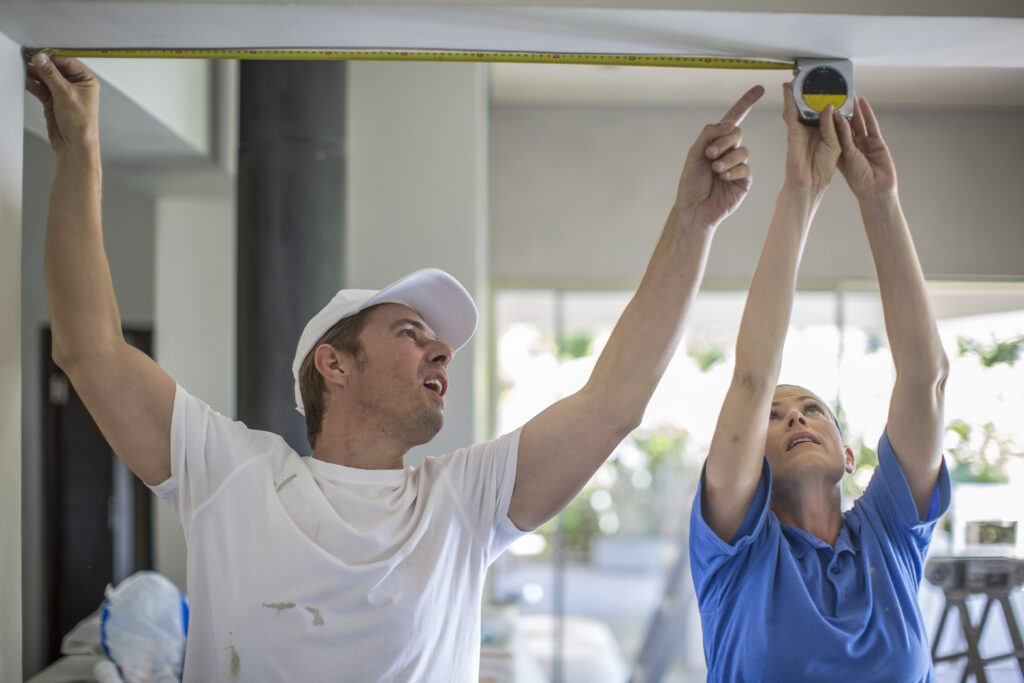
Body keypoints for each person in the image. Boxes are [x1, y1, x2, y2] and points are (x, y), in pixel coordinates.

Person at [26, 50, 764, 681]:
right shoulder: (232, 475)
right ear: (334, 365)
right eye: (412, 331)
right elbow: (89, 350)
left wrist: (693, 222)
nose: (442, 349)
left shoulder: (464, 502)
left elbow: (613, 402)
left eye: (439, 341)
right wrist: (80, 149)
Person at [689, 84, 951, 681]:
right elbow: (753, 379)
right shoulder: (735, 554)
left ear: (850, 455)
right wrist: (801, 192)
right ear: (746, 464)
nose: (795, 418)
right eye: (777, 416)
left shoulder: (890, 537)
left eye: (812, 410)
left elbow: (925, 380)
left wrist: (880, 200)